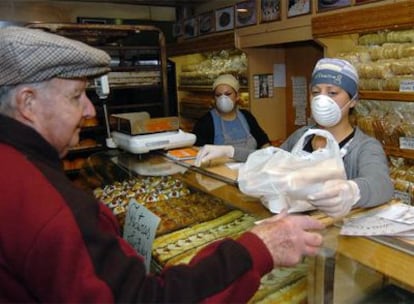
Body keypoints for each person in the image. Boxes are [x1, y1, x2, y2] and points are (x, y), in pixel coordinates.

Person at [0, 26, 324, 302]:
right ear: (27, 103)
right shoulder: (49, 208)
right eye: (75, 96)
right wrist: (259, 248)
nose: (90, 111)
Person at [280, 58, 394, 218]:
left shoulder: (364, 147)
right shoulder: (302, 137)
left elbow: (382, 185)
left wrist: (352, 191)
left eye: (332, 93)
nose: (322, 100)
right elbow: (273, 163)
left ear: (353, 101)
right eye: (315, 92)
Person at [193, 74, 270, 166]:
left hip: (250, 170)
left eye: (228, 94)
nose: (223, 98)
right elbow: (196, 151)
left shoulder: (247, 116)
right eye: (218, 95)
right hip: (223, 174)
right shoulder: (206, 122)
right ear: (214, 99)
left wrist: (268, 160)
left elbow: (264, 142)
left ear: (237, 96)